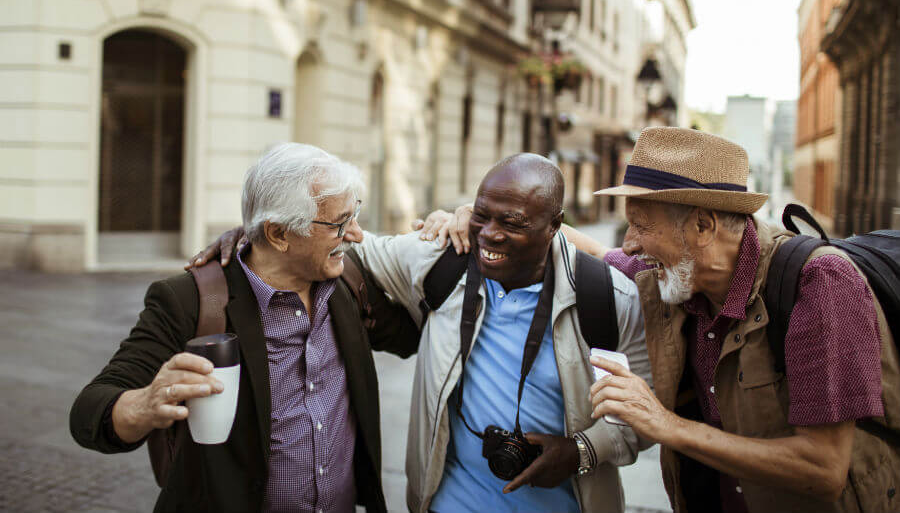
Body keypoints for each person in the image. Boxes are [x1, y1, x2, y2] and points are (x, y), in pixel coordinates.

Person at [197, 152, 651, 513]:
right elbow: (349, 248)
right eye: (482, 215)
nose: (490, 235)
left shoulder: (610, 299)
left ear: (555, 225)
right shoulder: (442, 257)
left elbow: (642, 419)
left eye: (512, 223)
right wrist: (260, 237)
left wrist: (581, 451)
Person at [70, 143, 420, 513]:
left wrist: (449, 229)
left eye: (354, 215)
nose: (355, 234)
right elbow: (89, 413)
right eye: (339, 224)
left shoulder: (347, 282)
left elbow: (414, 335)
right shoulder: (190, 301)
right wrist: (145, 404)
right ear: (279, 234)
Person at [577, 127, 900, 513]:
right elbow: (596, 253)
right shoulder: (679, 271)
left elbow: (825, 469)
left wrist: (665, 424)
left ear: (703, 226)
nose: (630, 244)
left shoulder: (821, 284)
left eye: (642, 225)